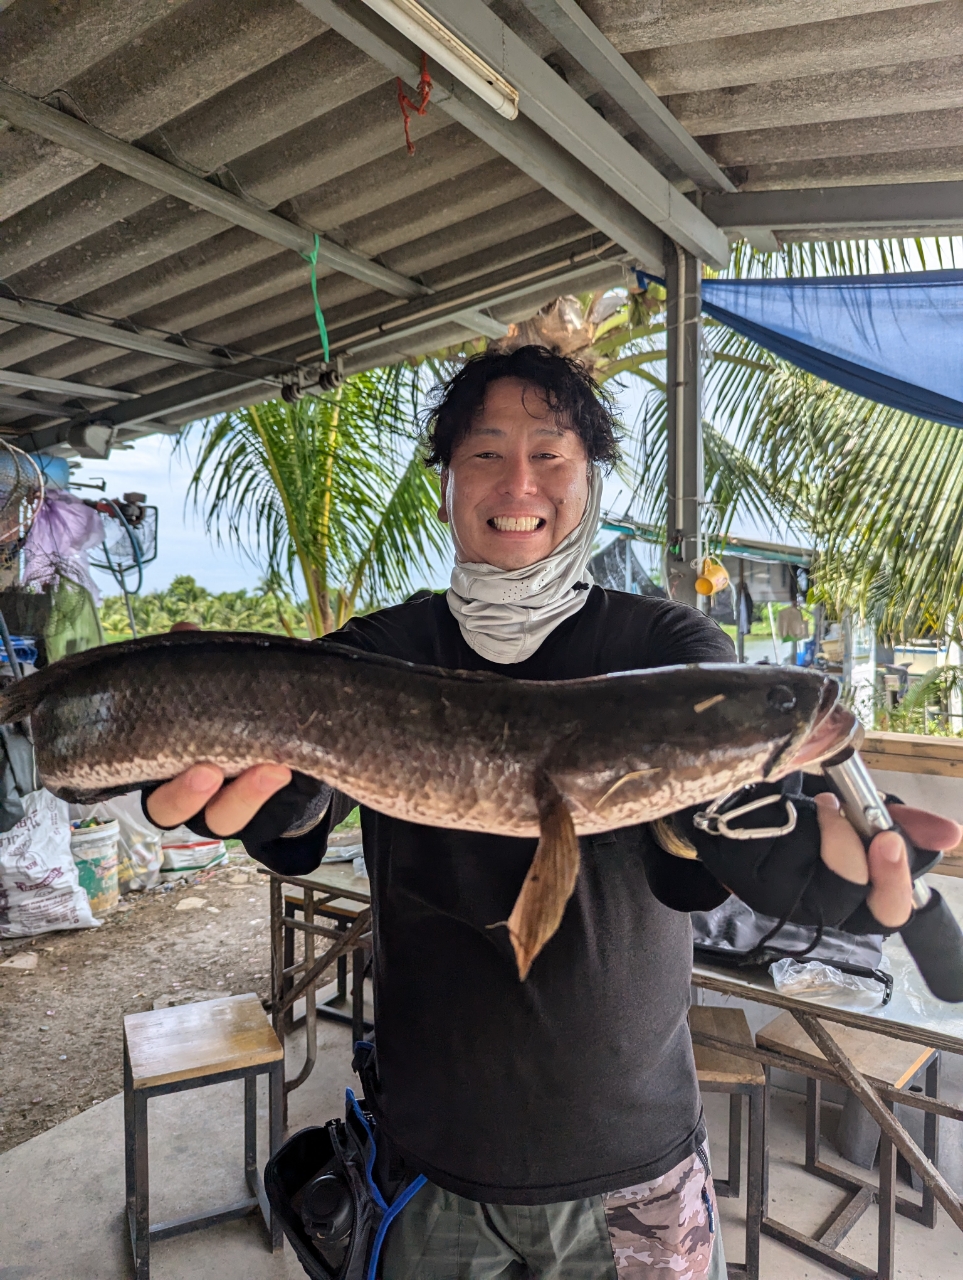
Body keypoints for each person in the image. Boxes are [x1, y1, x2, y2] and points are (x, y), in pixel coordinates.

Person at [143, 346, 959, 1279]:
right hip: (427, 1153)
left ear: (590, 478)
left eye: (551, 453)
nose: (518, 481)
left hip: (634, 1161)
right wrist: (259, 803)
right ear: (445, 482)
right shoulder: (379, 649)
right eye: (484, 453)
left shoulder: (668, 648)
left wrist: (773, 845)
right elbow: (298, 810)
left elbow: (695, 846)